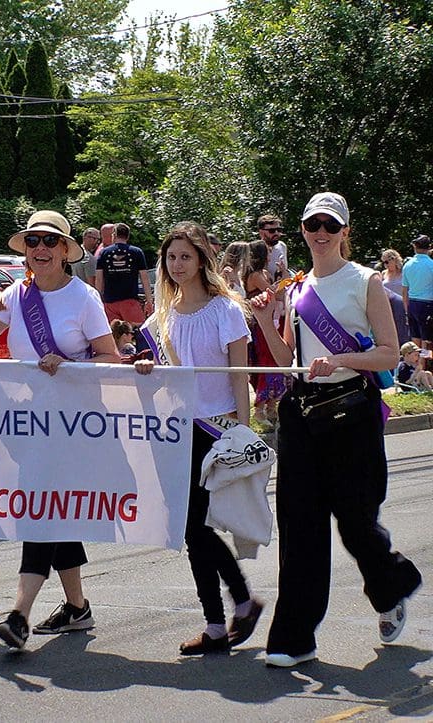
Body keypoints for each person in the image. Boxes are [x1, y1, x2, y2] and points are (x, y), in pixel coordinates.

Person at [250, 191, 422, 668]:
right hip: (302, 416)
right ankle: (294, 637)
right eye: (312, 225)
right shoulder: (297, 287)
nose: (320, 233)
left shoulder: (365, 281)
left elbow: (390, 353)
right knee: (300, 527)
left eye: (330, 225)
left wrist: (341, 360)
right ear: (302, 230)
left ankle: (392, 585)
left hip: (352, 412)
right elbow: (289, 363)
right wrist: (266, 320)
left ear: (345, 231)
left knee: (355, 523)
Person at [0, 210, 121, 649]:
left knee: (40, 508)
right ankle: (77, 606)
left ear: (65, 252)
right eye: (33, 242)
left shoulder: (83, 297)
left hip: (72, 422)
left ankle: (19, 613)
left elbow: (111, 357)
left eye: (50, 242)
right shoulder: (15, 295)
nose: (40, 250)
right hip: (26, 422)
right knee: (55, 510)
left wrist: (71, 365)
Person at [134, 222, 263, 656]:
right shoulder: (160, 319)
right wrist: (148, 370)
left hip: (218, 430)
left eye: (186, 256)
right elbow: (162, 378)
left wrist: (243, 431)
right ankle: (219, 619)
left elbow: (238, 373)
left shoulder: (226, 309)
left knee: (199, 526)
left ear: (201, 259)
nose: (178, 264)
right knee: (192, 530)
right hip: (177, 431)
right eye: (171, 257)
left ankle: (237, 604)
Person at [244, 240, 286, 426]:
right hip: (259, 324)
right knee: (265, 362)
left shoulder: (265, 273)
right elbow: (274, 293)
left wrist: (283, 274)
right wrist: (286, 281)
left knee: (275, 361)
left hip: (272, 320)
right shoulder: (254, 275)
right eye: (267, 252)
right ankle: (259, 409)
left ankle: (271, 405)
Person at [96, 222, 154, 324]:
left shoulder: (103, 253)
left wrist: (98, 300)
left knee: (115, 335)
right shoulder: (137, 252)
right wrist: (149, 301)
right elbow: (145, 278)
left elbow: (99, 279)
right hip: (130, 301)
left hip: (110, 303)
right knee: (137, 333)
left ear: (114, 235)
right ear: (127, 236)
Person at [401, 235, 433, 350]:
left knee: (415, 338)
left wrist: (406, 311)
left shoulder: (407, 265)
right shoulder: (431, 265)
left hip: (412, 305)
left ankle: (416, 365)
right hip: (428, 305)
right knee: (427, 340)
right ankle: (423, 365)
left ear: (415, 246)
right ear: (429, 247)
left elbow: (404, 291)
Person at [257, 214, 287, 281]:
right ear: (261, 232)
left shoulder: (282, 246)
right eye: (272, 231)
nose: (276, 233)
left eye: (279, 230)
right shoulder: (255, 249)